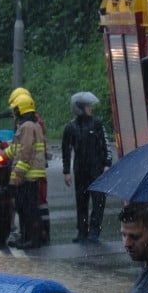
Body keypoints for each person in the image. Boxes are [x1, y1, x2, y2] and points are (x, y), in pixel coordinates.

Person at [61, 96, 111, 244]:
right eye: (88, 106)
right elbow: (66, 150)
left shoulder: (97, 124)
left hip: (96, 169)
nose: (91, 108)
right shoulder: (71, 128)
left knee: (98, 201)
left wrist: (107, 163)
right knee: (81, 202)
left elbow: (105, 144)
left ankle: (95, 231)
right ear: (80, 108)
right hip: (80, 170)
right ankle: (82, 231)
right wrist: (66, 171)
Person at [4, 92, 47, 249]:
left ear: (20, 110)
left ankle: (32, 239)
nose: (14, 112)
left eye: (15, 109)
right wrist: (3, 152)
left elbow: (26, 152)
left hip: (28, 176)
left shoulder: (27, 127)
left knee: (28, 209)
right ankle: (29, 237)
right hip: (30, 174)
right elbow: (17, 149)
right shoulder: (30, 125)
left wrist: (18, 175)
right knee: (26, 208)